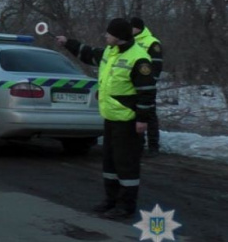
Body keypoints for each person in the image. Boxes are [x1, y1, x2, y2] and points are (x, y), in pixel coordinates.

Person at [55, 18, 156, 219]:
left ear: (118, 37)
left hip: (127, 119)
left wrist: (142, 119)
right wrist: (68, 43)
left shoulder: (139, 59)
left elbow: (147, 92)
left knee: (125, 164)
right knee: (109, 163)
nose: (105, 36)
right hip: (110, 117)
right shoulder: (110, 52)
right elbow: (88, 53)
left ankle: (126, 206)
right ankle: (111, 200)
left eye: (109, 34)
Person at [131, 17, 163, 158]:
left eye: (132, 27)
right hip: (131, 86)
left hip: (146, 86)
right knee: (136, 115)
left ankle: (153, 146)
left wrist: (149, 84)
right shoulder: (131, 42)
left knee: (149, 115)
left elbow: (156, 66)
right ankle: (139, 144)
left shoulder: (152, 43)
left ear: (138, 28)